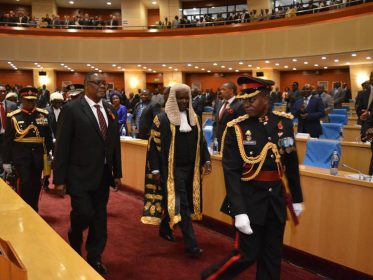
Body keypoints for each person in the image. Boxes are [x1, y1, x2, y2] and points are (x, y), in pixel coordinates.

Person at [201, 76, 303, 280]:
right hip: (249, 201)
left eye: (251, 100)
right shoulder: (236, 129)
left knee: (272, 257)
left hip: (275, 201)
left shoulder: (282, 123)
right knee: (246, 255)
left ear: (265, 98)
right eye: (244, 100)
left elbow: (290, 163)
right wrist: (238, 212)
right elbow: (231, 173)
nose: (245, 105)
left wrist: (297, 197)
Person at [53, 72, 122, 275]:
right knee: (84, 213)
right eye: (98, 83)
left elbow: (114, 144)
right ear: (86, 85)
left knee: (100, 219)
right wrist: (58, 180)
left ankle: (94, 257)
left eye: (105, 84)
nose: (103, 87)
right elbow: (62, 147)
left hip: (102, 176)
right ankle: (74, 234)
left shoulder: (109, 109)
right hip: (79, 175)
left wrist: (117, 172)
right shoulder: (72, 109)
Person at [141, 83, 212, 257]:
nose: (183, 101)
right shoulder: (162, 119)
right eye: (179, 98)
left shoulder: (194, 118)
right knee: (182, 206)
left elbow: (201, 142)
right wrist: (156, 171)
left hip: (191, 170)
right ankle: (191, 245)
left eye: (185, 98)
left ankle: (165, 226)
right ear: (172, 99)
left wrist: (207, 159)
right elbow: (153, 147)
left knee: (177, 202)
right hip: (172, 171)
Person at [3, 86, 53, 211]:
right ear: (21, 100)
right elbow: (8, 141)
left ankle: (34, 207)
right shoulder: (13, 116)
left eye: (32, 100)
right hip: (21, 156)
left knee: (36, 183)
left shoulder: (43, 114)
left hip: (38, 155)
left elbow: (47, 137)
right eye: (27, 100)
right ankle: (25, 208)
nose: (30, 103)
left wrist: (50, 154)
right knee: (24, 182)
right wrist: (6, 161)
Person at [214, 82, 245, 152]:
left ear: (231, 91)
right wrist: (215, 138)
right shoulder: (220, 103)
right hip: (219, 140)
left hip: (232, 143)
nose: (221, 91)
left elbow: (241, 126)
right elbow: (217, 123)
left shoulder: (239, 105)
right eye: (221, 89)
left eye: (223, 89)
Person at [357, 71, 373, 174]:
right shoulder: (364, 92)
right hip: (368, 130)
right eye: (372, 76)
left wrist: (370, 114)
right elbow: (359, 108)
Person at [0, 86, 18, 176]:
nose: (2, 93)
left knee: (9, 157)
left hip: (9, 135)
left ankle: (9, 177)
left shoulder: (12, 105)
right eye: (0, 91)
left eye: (4, 91)